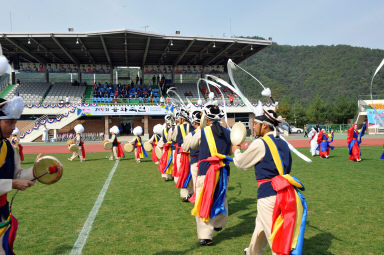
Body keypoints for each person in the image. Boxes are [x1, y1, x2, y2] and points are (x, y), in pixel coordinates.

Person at [232, 106, 307, 255]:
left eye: (256, 124)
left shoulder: (261, 143)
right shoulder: (284, 143)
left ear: (264, 125)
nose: (253, 126)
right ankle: (253, 252)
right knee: (260, 227)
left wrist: (236, 150)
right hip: (284, 192)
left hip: (269, 195)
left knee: (276, 237)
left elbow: (242, 163)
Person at [190, 103, 232, 246]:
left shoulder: (202, 132)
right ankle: (219, 222)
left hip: (206, 170)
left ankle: (206, 236)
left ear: (207, 119)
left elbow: (191, 145)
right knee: (221, 196)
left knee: (203, 200)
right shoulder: (227, 132)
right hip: (223, 171)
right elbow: (230, 152)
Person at [0, 96, 36, 255]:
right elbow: (14, 181)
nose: (14, 127)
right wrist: (12, 184)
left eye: (15, 122)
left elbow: (18, 175)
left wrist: (37, 171)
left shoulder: (8, 147)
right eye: (9, 122)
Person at [171, 108, 193, 202]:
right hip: (192, 154)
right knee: (191, 173)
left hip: (182, 153)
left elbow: (173, 138)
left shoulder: (177, 127)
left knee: (182, 173)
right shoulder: (193, 127)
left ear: (182, 119)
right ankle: (192, 192)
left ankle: (185, 194)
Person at [181, 108, 202, 203]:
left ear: (194, 122)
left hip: (195, 162)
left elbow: (185, 148)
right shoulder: (209, 132)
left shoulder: (192, 134)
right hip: (208, 163)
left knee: (197, 184)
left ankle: (199, 205)